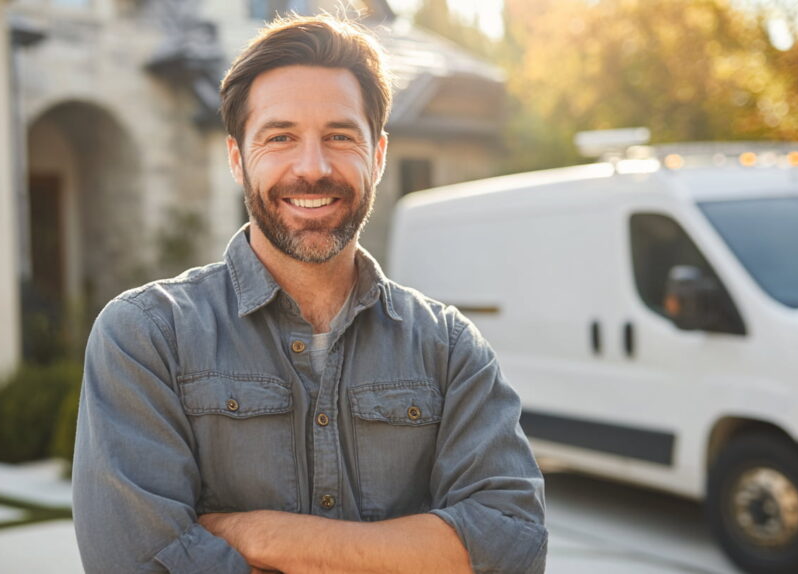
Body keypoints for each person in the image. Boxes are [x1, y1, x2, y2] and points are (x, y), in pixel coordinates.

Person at [72, 14, 547, 574]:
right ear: (236, 157)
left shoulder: (448, 349)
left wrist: (263, 535)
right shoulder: (147, 337)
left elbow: (513, 545)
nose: (313, 167)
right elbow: (138, 562)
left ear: (378, 154)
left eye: (340, 137)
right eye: (280, 138)